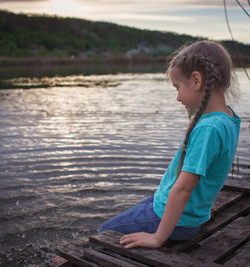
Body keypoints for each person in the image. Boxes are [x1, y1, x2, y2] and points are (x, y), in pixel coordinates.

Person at [98, 40, 241, 249]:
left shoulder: (208, 129)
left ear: (196, 80)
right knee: (130, 215)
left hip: (180, 220)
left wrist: (158, 237)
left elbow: (183, 189)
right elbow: (214, 173)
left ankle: (72, 261)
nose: (177, 97)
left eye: (177, 87)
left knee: (104, 233)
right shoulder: (228, 118)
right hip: (183, 211)